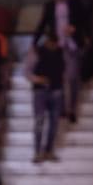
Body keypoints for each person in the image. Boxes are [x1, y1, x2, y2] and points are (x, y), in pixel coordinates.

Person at [26, 32, 65, 163]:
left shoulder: (60, 53)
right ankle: (37, 152)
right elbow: (27, 72)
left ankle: (49, 151)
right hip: (40, 91)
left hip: (56, 90)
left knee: (54, 123)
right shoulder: (37, 52)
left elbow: (63, 72)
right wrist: (38, 79)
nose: (53, 46)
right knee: (39, 121)